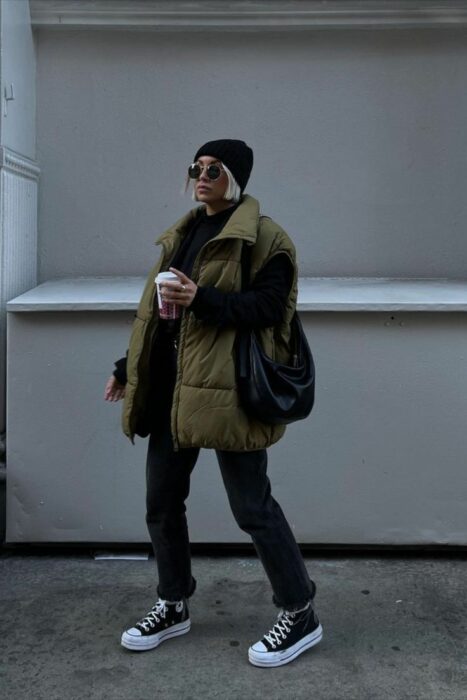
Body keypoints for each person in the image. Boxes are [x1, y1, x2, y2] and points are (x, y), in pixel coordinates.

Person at [104, 139, 323, 667]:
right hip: (171, 391)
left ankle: (300, 614)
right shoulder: (183, 231)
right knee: (161, 503)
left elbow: (272, 309)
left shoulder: (266, 239)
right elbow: (156, 314)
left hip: (228, 393)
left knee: (253, 508)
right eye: (196, 168)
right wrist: (125, 369)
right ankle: (173, 602)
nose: (201, 176)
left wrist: (202, 298)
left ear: (237, 178)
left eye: (213, 169)